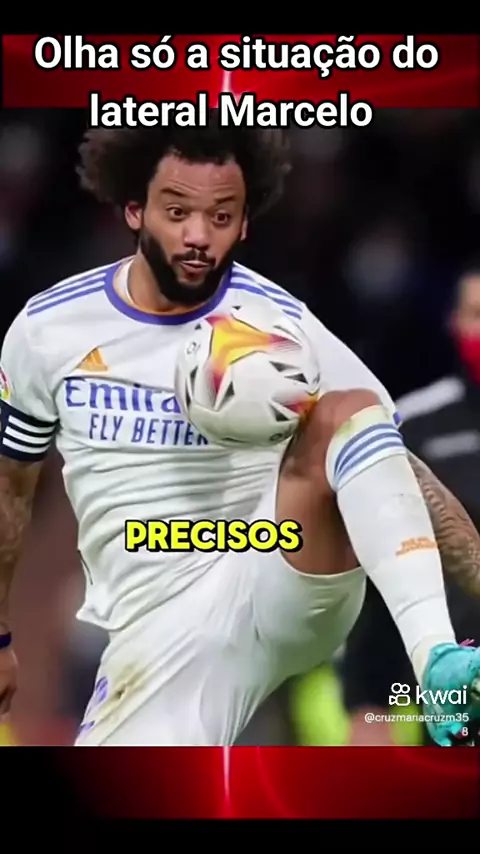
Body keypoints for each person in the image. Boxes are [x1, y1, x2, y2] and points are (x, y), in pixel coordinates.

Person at [1, 113, 480, 747]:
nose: (199, 235)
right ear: (135, 210)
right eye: (178, 212)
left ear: (245, 222)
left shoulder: (281, 326)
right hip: (158, 623)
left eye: (221, 216)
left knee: (347, 409)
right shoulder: (48, 329)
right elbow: (12, 487)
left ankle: (438, 663)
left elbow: (391, 462)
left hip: (277, 567)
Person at [342, 264, 480, 746]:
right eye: (476, 314)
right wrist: (367, 702)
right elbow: (385, 568)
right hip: (460, 688)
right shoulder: (415, 426)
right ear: (454, 323)